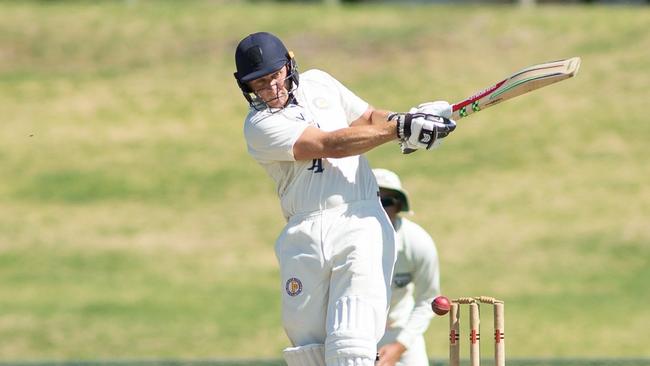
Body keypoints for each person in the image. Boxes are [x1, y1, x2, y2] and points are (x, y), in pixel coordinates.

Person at [233, 31, 456, 366]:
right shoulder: (259, 125)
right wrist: (401, 129)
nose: (271, 90)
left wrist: (406, 121)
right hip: (303, 230)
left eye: (276, 76)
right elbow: (330, 145)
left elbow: (367, 119)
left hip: (359, 218)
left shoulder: (319, 82)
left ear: (289, 65)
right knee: (309, 353)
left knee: (351, 345)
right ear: (246, 87)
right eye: (260, 84)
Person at [373, 169, 441, 366]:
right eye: (373, 199)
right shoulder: (342, 241)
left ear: (398, 205)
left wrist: (399, 346)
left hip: (400, 332)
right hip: (355, 332)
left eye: (385, 202)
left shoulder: (418, 242)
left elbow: (428, 299)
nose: (378, 208)